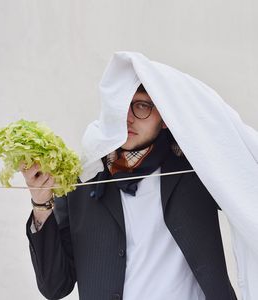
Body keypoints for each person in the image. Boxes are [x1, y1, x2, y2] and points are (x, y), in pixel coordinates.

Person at [23, 52, 258, 300]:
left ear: (166, 117)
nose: (128, 117)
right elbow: (55, 286)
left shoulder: (195, 168)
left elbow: (246, 185)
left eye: (143, 106)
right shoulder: (84, 177)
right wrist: (41, 205)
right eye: (122, 105)